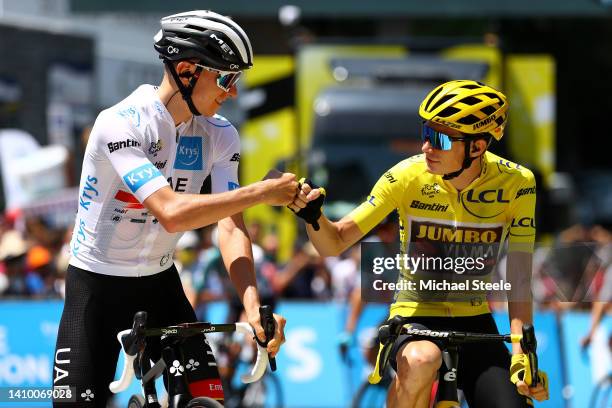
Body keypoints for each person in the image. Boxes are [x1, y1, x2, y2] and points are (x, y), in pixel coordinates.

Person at [53, 10, 295, 407]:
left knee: (208, 401)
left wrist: (253, 306)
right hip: (95, 289)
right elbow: (172, 212)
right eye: (225, 78)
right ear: (186, 70)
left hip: (161, 286)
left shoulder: (221, 135)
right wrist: (260, 193)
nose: (231, 92)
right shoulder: (119, 124)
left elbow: (230, 228)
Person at [289, 80, 549, 407]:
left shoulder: (517, 184)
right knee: (422, 360)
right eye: (426, 133)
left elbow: (520, 278)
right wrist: (314, 217)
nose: (426, 147)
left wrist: (523, 355)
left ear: (477, 146)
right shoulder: (407, 176)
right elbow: (336, 240)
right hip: (415, 315)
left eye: (438, 139)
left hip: (475, 318)